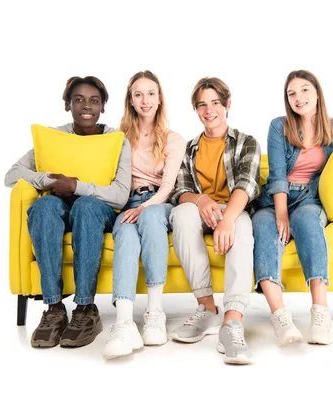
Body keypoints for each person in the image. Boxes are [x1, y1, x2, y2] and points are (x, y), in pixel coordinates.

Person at [4, 76, 132, 349]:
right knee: (43, 206)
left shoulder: (116, 140)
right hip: (60, 206)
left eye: (94, 101)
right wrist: (50, 181)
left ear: (103, 107)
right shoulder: (54, 137)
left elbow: (121, 195)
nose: (87, 106)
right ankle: (53, 309)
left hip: (99, 211)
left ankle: (86, 310)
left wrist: (77, 186)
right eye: (79, 100)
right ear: (67, 105)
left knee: (86, 206)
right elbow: (12, 174)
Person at [252, 69, 333, 346]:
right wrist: (281, 213)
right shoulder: (278, 126)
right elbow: (277, 174)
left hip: (309, 199)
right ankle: (280, 317)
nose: (298, 97)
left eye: (304, 90)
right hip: (275, 200)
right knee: (264, 227)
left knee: (307, 222)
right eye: (291, 93)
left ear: (317, 93)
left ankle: (320, 314)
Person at [168, 77, 261, 365]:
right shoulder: (188, 148)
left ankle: (232, 320)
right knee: (181, 214)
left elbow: (247, 185)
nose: (209, 111)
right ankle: (207, 308)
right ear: (196, 110)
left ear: (227, 104)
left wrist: (227, 219)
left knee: (243, 228)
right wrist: (201, 200)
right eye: (202, 105)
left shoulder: (246, 142)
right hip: (200, 210)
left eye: (215, 103)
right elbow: (180, 190)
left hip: (234, 208)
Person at [103, 70, 185, 359]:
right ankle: (124, 322)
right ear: (131, 100)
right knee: (124, 233)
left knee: (149, 219)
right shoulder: (117, 137)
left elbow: (168, 187)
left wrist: (144, 207)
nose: (145, 100)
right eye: (138, 94)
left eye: (151, 93)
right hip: (127, 201)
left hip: (158, 202)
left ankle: (154, 311)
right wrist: (130, 207)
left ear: (160, 98)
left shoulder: (173, 139)